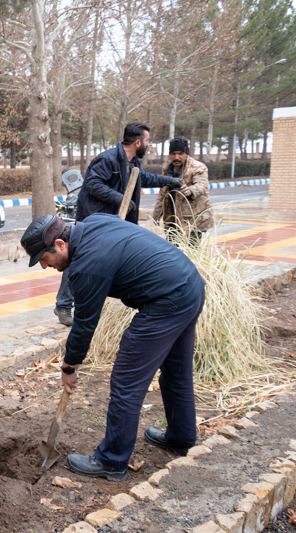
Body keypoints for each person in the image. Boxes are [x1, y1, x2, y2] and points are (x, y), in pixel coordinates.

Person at [20, 213, 205, 481]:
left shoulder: (86, 266)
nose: (44, 267)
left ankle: (112, 460)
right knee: (177, 371)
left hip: (166, 302)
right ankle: (181, 437)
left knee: (126, 382)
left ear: (60, 244)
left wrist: (69, 366)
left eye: (43, 259)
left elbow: (85, 324)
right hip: (190, 286)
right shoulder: (94, 222)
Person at [54, 123, 184, 327]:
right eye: (147, 141)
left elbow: (143, 178)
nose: (148, 145)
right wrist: (121, 198)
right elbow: (93, 184)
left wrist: (168, 181)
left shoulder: (132, 162)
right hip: (94, 220)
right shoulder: (108, 159)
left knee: (102, 264)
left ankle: (88, 306)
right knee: (79, 260)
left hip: (112, 222)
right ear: (138, 142)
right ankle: (63, 306)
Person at [152, 136, 214, 244]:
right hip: (172, 218)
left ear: (186, 154)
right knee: (173, 250)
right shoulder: (167, 167)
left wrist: (191, 190)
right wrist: (157, 214)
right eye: (173, 153)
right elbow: (163, 192)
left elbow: (202, 185)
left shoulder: (198, 167)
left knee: (190, 251)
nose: (176, 157)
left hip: (194, 219)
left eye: (180, 154)